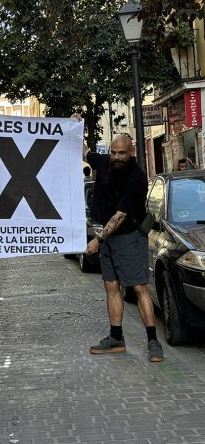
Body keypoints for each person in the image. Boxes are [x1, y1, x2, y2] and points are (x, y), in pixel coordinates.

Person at [82, 132, 165, 362]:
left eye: (121, 153)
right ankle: (116, 338)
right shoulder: (105, 162)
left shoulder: (137, 178)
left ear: (132, 152)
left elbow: (119, 217)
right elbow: (84, 151)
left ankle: (153, 342)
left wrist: (97, 240)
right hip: (108, 238)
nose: (116, 157)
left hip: (129, 236)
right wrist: (76, 126)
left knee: (138, 288)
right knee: (111, 286)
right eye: (113, 152)